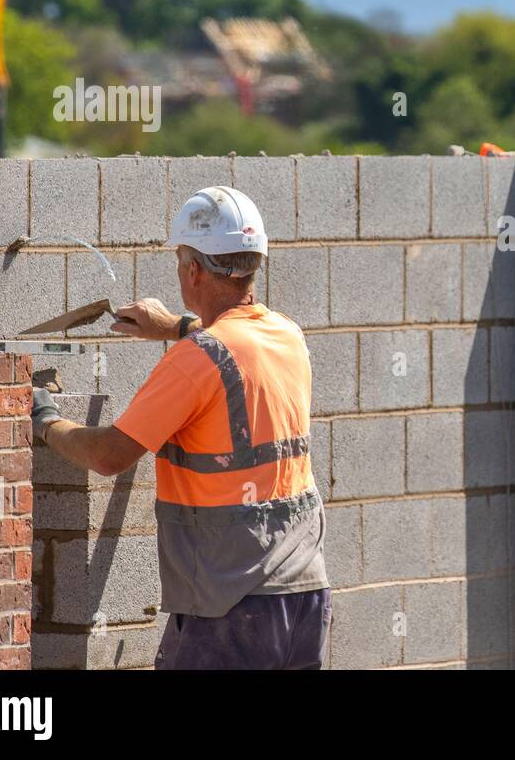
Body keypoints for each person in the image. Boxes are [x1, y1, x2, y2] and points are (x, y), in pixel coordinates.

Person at [31, 186, 331, 668]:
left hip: (230, 602)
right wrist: (175, 326)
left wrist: (45, 419)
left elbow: (109, 455)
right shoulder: (287, 335)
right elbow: (236, 350)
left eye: (179, 263)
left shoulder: (198, 359)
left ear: (193, 269)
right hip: (303, 593)